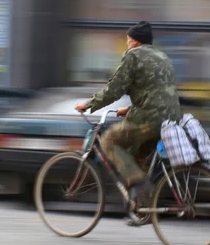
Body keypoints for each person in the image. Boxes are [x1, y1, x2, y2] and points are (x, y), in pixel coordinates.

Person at [75, 21, 181, 208]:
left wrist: (88, 104)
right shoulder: (162, 56)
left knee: (109, 140)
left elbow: (114, 89)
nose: (127, 43)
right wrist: (131, 109)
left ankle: (139, 184)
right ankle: (143, 208)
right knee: (135, 156)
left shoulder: (133, 55)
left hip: (149, 118)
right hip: (171, 118)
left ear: (134, 40)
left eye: (127, 39)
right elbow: (158, 92)